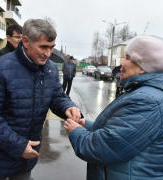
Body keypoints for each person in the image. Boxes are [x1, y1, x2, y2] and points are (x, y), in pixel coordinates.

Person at [0, 18, 82, 180]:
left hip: (27, 158)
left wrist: (68, 106)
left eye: (51, 47)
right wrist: (18, 145)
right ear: (25, 42)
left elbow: (57, 96)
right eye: (43, 47)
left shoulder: (50, 69)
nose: (48, 53)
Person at [64, 35, 163, 180]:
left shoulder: (147, 101)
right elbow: (120, 133)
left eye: (128, 58)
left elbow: (103, 149)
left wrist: (75, 131)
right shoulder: (143, 93)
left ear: (143, 66)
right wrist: (87, 125)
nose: (121, 63)